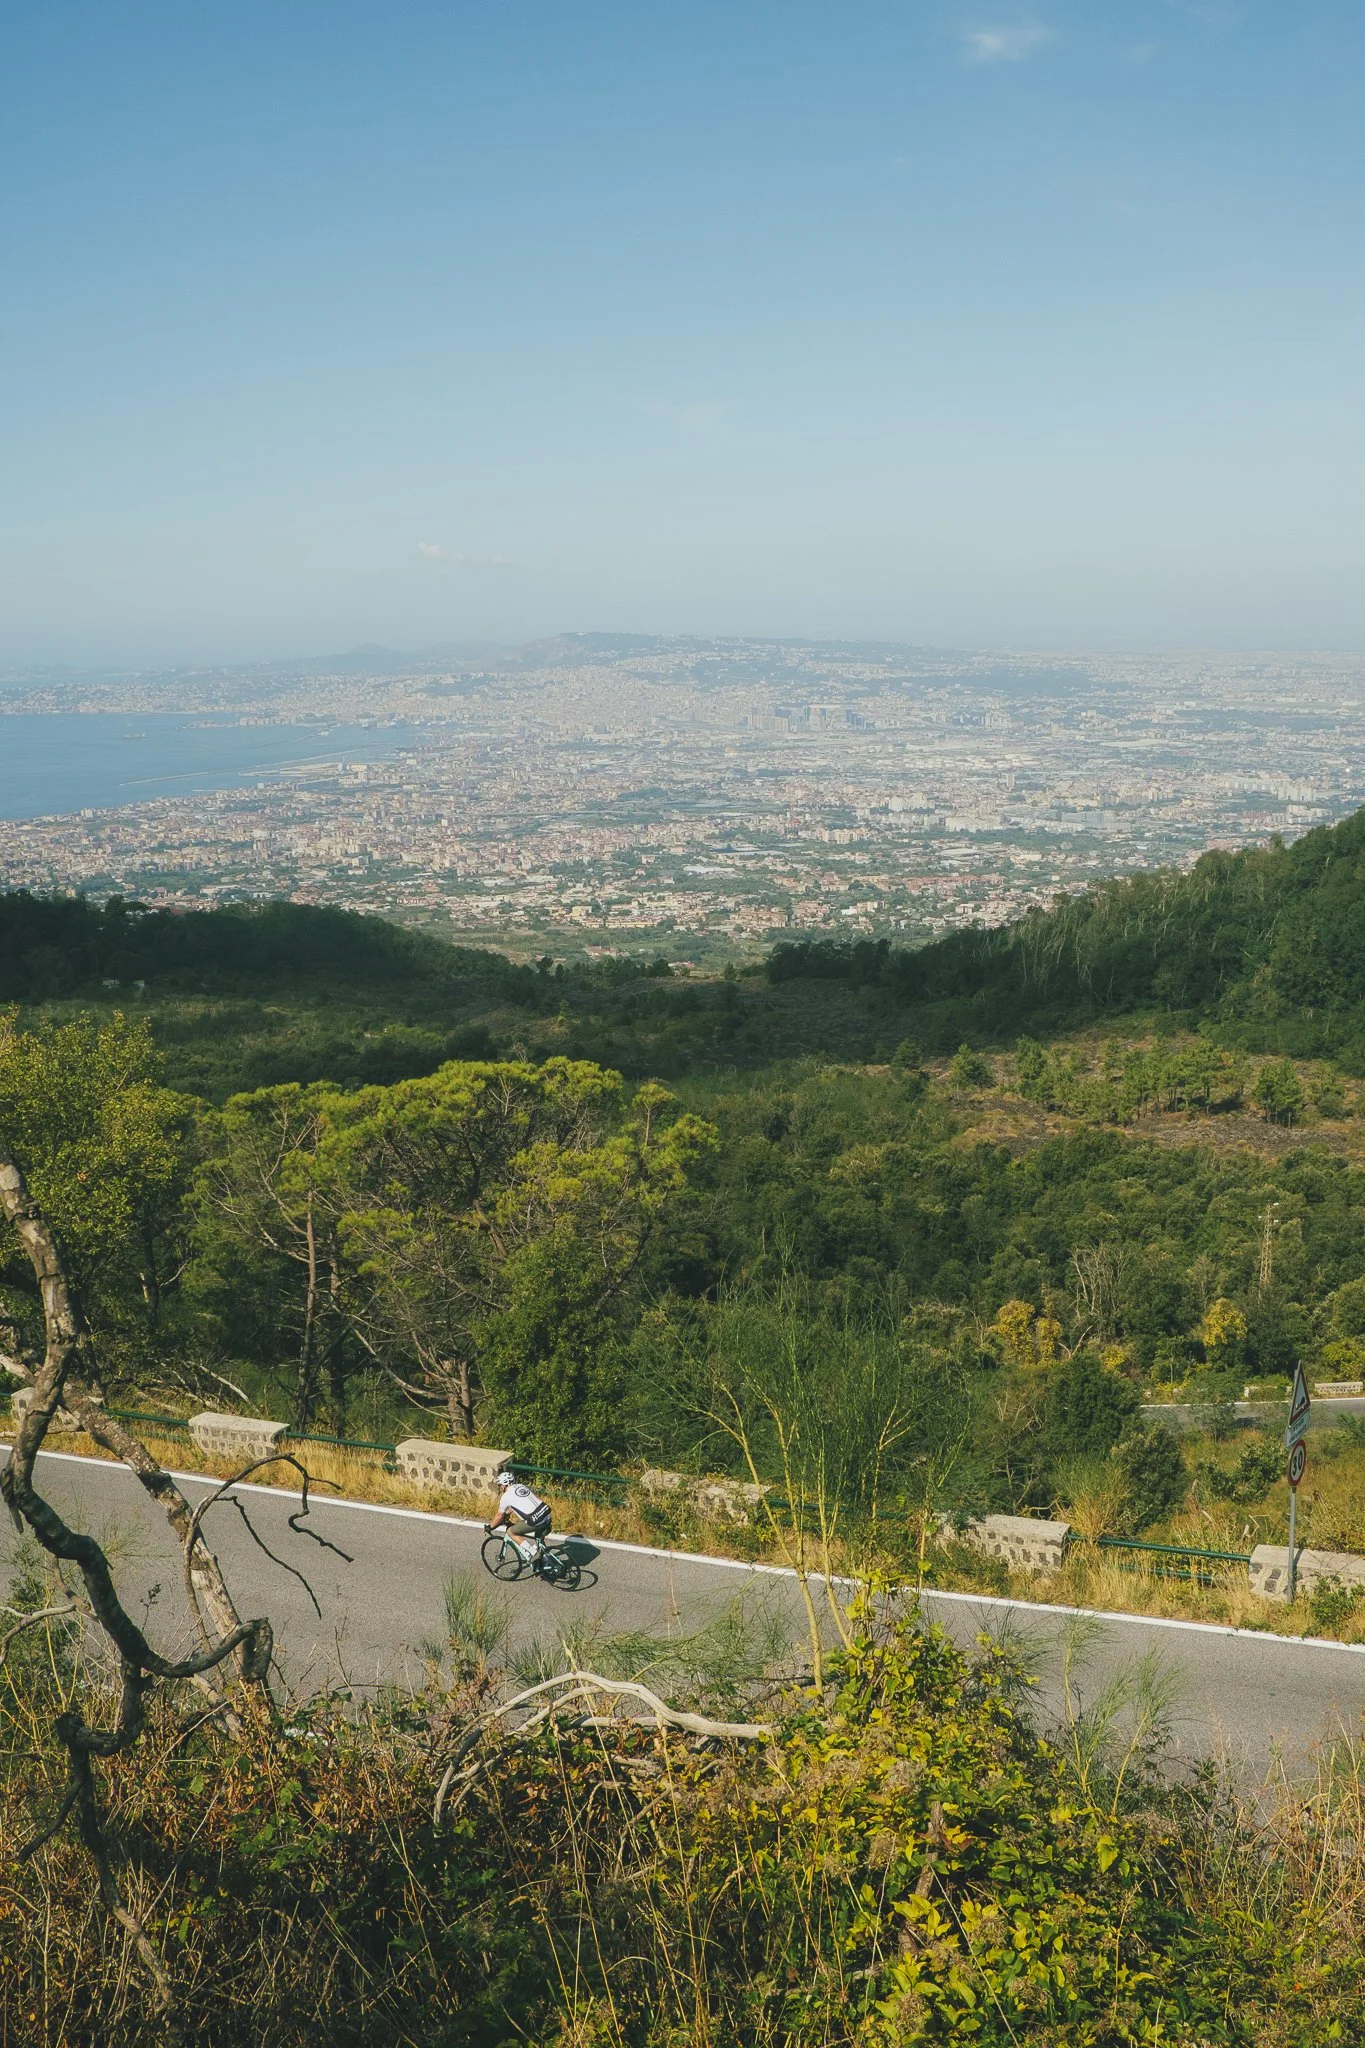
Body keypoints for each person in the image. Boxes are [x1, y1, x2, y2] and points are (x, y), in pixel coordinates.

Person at [487, 1470, 552, 1560]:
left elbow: (499, 1516)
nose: (500, 1487)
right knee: (538, 1538)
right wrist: (507, 1513)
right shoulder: (521, 1486)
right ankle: (545, 1560)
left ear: (504, 1485)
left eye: (500, 1485)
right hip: (546, 1513)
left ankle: (534, 1553)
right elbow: (515, 1505)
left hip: (536, 1520)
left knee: (511, 1532)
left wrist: (489, 1527)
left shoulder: (505, 1497)